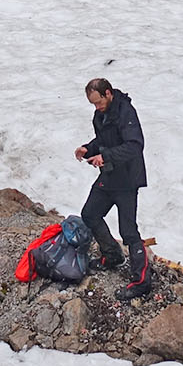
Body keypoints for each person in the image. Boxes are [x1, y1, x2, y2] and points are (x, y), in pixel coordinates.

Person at [73, 77, 151, 299]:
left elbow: (135, 145)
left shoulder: (125, 112)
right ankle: (112, 256)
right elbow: (103, 139)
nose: (96, 108)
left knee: (128, 231)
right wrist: (87, 149)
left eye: (98, 102)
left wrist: (105, 156)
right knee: (90, 214)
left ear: (108, 93)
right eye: (93, 104)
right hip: (109, 176)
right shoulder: (101, 113)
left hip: (127, 179)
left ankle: (142, 281)